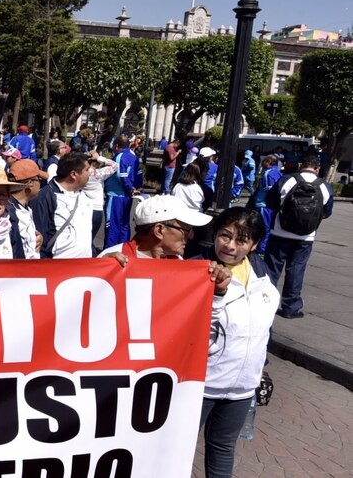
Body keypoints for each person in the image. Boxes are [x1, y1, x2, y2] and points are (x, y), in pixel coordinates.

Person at [197, 207, 278, 478]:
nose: (229, 245)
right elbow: (191, 332)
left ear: (254, 244)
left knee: (223, 447)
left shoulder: (263, 273)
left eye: (241, 240)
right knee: (177, 448)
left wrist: (260, 367)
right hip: (201, 386)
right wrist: (216, 295)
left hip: (242, 388)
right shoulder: (197, 268)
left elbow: (265, 328)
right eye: (224, 235)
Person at [263, 153, 333, 318]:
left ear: (301, 165)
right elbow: (327, 212)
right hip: (305, 238)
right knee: (296, 271)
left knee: (272, 270)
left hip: (280, 233)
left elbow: (270, 202)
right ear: (318, 168)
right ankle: (290, 307)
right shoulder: (325, 186)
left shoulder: (287, 180)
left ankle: (264, 301)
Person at [98, 195, 213, 259]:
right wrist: (103, 270)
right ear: (159, 230)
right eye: (186, 229)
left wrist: (219, 292)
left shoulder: (176, 260)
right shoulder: (112, 259)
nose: (191, 236)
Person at [31, 152, 93, 258]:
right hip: (58, 268)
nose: (90, 173)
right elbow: (38, 241)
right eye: (87, 170)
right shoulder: (45, 197)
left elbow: (86, 236)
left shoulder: (83, 195)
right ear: (73, 174)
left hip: (85, 268)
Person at [103, 135, 140, 248]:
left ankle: (109, 252)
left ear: (117, 146)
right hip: (127, 196)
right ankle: (123, 249)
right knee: (124, 224)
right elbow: (139, 175)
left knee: (112, 225)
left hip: (116, 195)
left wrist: (130, 188)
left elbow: (121, 175)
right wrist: (135, 188)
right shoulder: (133, 156)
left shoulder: (119, 156)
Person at [7, 159, 47, 259]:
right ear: (30, 183)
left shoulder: (26, 207)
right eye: (39, 180)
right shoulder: (7, 214)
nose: (41, 185)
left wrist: (35, 238)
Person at [82, 150, 118, 252]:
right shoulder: (97, 174)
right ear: (94, 162)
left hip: (83, 207)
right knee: (91, 235)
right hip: (96, 209)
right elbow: (115, 165)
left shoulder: (81, 173)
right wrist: (99, 157)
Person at [249, 155, 282, 252]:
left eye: (264, 161)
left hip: (264, 204)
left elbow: (270, 190)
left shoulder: (268, 173)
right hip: (271, 206)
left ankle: (261, 249)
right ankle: (264, 247)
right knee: (268, 227)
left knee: (264, 227)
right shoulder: (279, 173)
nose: (262, 163)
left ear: (269, 161)